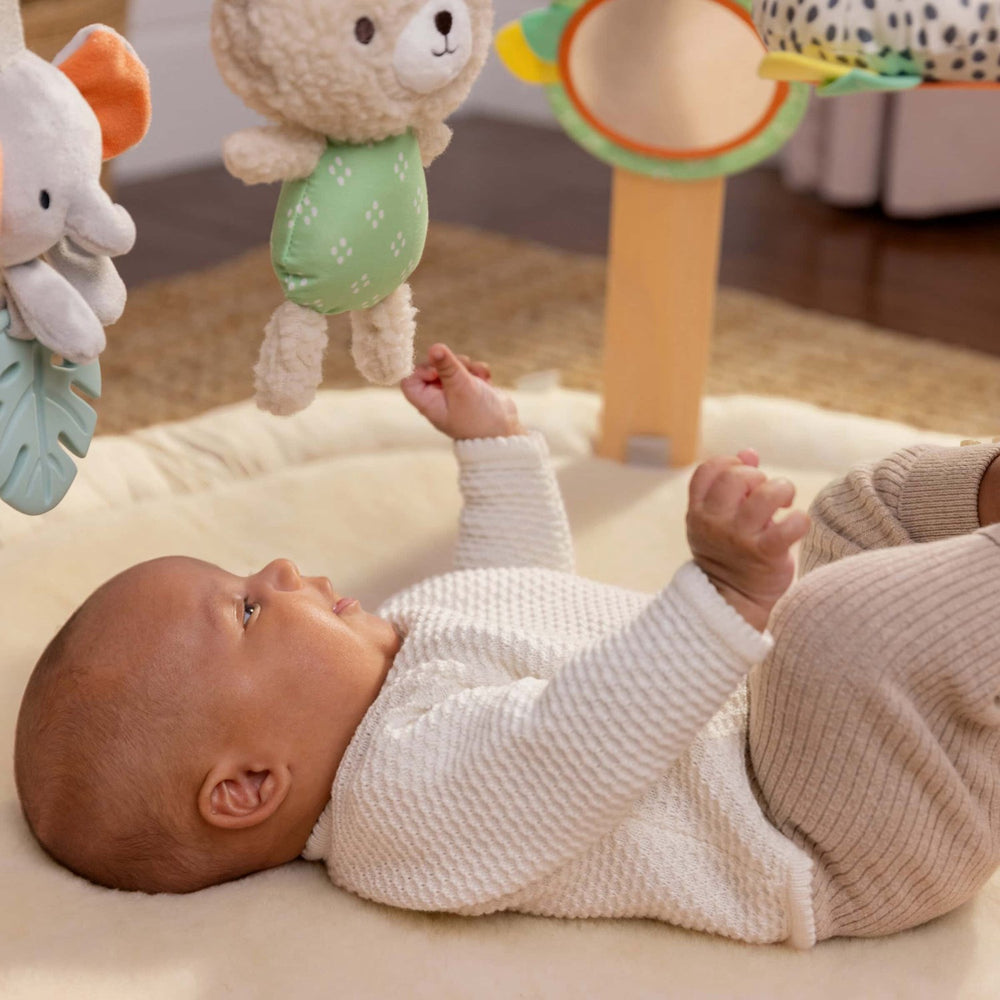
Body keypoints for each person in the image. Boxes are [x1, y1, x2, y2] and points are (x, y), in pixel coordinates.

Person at [13, 344, 1000, 948]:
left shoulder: (402, 653)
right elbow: (573, 746)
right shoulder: (394, 814)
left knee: (858, 508)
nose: (275, 569)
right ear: (249, 786)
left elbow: (523, 586)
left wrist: (494, 450)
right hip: (814, 830)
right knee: (838, 626)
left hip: (793, 725)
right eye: (245, 612)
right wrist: (725, 592)